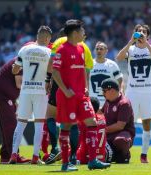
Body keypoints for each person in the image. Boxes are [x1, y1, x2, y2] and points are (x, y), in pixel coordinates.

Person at [52, 19, 110, 171]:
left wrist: (85, 88)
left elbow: (83, 70)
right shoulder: (61, 50)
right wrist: (65, 90)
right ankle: (65, 164)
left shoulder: (81, 49)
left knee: (92, 122)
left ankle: (93, 161)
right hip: (67, 96)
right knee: (66, 126)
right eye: (82, 31)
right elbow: (55, 71)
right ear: (75, 33)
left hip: (81, 95)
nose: (85, 34)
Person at [44, 27, 94, 165]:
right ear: (75, 34)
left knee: (51, 116)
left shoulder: (58, 42)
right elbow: (86, 71)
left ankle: (55, 148)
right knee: (74, 124)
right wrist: (86, 88)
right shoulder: (85, 47)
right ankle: (72, 156)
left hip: (61, 87)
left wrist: (47, 81)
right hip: (77, 89)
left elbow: (51, 66)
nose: (84, 35)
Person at [116, 24, 151, 163]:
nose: (141, 33)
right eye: (138, 31)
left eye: (144, 32)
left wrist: (146, 43)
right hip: (132, 91)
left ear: (148, 35)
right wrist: (131, 41)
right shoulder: (131, 49)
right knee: (128, 123)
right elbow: (119, 57)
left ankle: (144, 154)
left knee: (147, 123)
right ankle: (124, 153)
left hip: (147, 91)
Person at [9, 26, 53, 164]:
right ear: (47, 38)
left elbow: (15, 70)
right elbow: (51, 71)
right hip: (41, 91)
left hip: (26, 90)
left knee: (21, 123)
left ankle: (13, 155)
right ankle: (35, 157)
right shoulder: (49, 52)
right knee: (39, 124)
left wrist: (15, 68)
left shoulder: (24, 49)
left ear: (37, 35)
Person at [0, 58, 30, 164]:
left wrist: (14, 99)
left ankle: (5, 156)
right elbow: (19, 84)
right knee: (11, 125)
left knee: (6, 126)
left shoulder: (20, 60)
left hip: (5, 96)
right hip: (4, 96)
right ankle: (14, 156)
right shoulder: (21, 61)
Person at [101, 78, 135, 163]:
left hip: (122, 133)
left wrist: (101, 131)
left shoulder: (124, 103)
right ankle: (116, 155)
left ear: (112, 90)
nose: (103, 94)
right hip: (108, 134)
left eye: (104, 91)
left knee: (121, 140)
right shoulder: (108, 101)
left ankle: (125, 154)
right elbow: (99, 112)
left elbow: (120, 126)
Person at [76, 96, 113, 164]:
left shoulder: (83, 122)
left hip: (85, 158)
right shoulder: (102, 118)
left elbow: (77, 141)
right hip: (101, 157)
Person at [89, 41, 123, 107]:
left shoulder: (112, 64)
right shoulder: (89, 64)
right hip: (93, 102)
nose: (99, 51)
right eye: (97, 49)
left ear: (106, 51)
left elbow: (120, 79)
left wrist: (117, 93)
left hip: (108, 102)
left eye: (101, 49)